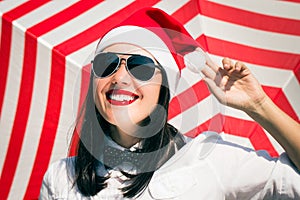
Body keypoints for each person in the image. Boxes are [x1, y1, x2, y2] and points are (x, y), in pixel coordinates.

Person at [39, 7, 300, 199]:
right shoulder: (61, 178)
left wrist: (259, 105)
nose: (119, 77)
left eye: (139, 66)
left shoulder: (206, 158)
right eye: (106, 64)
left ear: (165, 87)